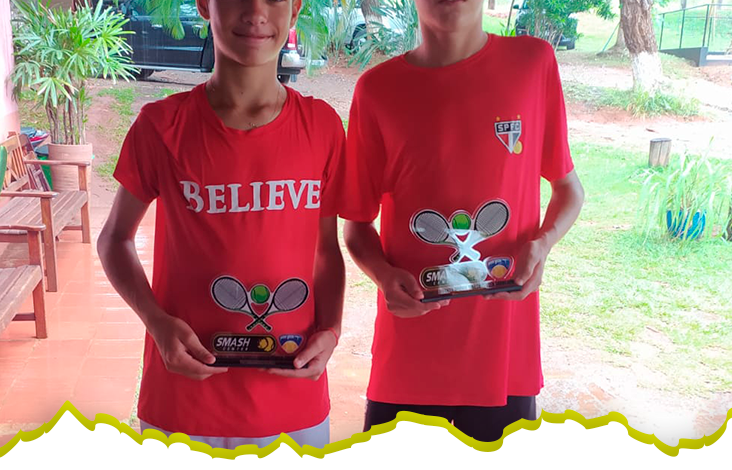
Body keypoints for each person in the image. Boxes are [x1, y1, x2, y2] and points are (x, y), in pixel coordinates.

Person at [97, 0, 345, 449]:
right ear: (204, 6)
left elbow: (326, 251)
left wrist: (331, 330)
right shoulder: (161, 126)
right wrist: (156, 323)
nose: (255, 12)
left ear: (294, 11)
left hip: (293, 405)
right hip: (184, 404)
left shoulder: (322, 126)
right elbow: (114, 239)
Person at [339, 0, 585, 442]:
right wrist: (383, 275)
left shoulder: (533, 63)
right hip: (409, 360)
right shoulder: (376, 90)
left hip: (504, 362)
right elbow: (356, 225)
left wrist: (543, 243)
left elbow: (569, 190)